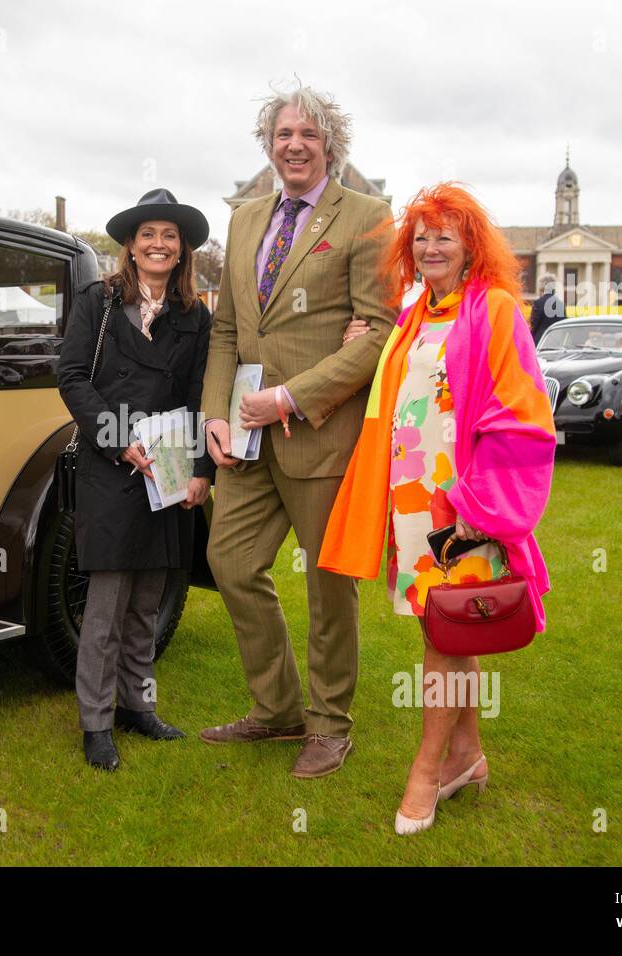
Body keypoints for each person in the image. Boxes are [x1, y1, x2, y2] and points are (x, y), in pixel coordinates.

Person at [324, 183, 556, 834]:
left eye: (444, 236)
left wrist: (478, 504)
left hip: (464, 507)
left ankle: (427, 769)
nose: (430, 246)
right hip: (412, 504)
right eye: (421, 236)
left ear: (469, 246)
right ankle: (468, 755)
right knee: (454, 628)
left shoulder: (498, 310)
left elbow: (523, 414)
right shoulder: (412, 318)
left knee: (440, 636)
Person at [197, 84, 395, 778]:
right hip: (246, 441)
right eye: (283, 134)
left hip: (320, 434)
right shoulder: (246, 219)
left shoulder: (368, 217)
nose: (295, 145)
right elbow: (226, 329)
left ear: (330, 144)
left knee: (329, 584)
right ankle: (277, 710)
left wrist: (289, 397)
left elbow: (377, 336)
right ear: (269, 144)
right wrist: (215, 413)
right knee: (231, 563)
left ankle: (330, 724)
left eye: (309, 134)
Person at [57, 188, 215, 771]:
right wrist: (118, 439)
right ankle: (96, 724)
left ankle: (137, 706)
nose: (158, 244)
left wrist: (200, 470)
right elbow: (72, 376)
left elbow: (201, 394)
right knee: (106, 606)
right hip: (113, 466)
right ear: (130, 245)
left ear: (182, 250)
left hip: (169, 471)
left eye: (169, 236)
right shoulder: (96, 302)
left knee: (148, 602)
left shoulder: (196, 316)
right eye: (148, 234)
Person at [529, 275, 564, 345]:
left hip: (540, 342)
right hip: (557, 342)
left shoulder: (538, 303)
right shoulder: (560, 304)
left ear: (542, 288)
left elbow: (533, 325)